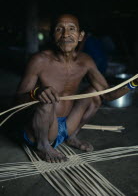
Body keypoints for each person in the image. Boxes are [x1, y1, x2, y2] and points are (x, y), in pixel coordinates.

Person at [16, 14, 138, 163]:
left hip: (68, 125)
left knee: (94, 92)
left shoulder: (85, 61)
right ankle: (43, 146)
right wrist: (37, 92)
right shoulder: (39, 60)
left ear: (80, 36)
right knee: (46, 101)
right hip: (42, 130)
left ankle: (72, 136)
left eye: (71, 29)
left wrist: (135, 82)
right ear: (52, 36)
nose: (66, 34)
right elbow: (17, 99)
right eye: (59, 29)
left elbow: (108, 95)